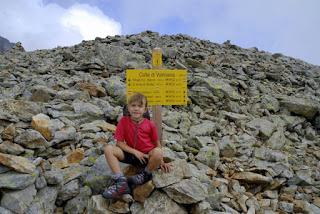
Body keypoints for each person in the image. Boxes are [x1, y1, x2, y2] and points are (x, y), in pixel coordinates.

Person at [103, 92, 171, 199]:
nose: (136, 109)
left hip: (146, 157)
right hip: (131, 154)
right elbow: (119, 143)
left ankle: (144, 175)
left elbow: (156, 144)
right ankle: (121, 183)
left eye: (140, 106)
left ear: (145, 110)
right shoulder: (123, 121)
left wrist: (160, 161)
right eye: (133, 105)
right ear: (128, 108)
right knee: (108, 149)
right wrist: (135, 152)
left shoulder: (150, 124)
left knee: (158, 152)